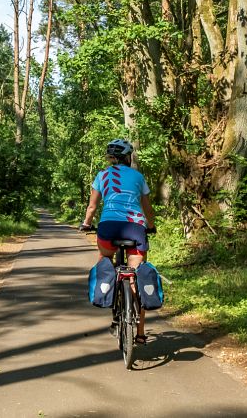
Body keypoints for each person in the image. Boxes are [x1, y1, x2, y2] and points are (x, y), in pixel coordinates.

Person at [80, 138, 156, 343]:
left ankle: (113, 309)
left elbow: (92, 207)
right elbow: (148, 209)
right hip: (135, 229)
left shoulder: (101, 176)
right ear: (128, 157)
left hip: (108, 228)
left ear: (112, 158)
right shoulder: (138, 177)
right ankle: (140, 333)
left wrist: (86, 223)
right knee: (136, 276)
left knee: (104, 261)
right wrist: (151, 226)